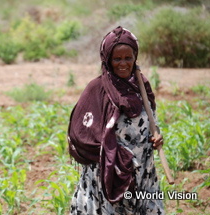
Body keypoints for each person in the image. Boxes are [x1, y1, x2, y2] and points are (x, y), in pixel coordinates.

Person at [67, 26, 165, 215]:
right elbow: (80, 133)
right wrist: (113, 153)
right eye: (117, 58)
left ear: (135, 57)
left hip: (142, 170)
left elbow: (151, 122)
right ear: (108, 60)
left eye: (128, 58)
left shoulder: (141, 86)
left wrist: (157, 137)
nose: (123, 63)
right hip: (107, 173)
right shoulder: (97, 89)